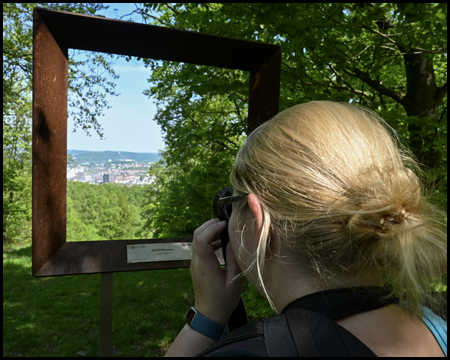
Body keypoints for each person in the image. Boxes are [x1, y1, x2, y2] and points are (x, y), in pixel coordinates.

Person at [165, 101, 447, 357]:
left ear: (256, 221)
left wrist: (206, 319)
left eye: (231, 203)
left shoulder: (250, 353)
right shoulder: (437, 321)